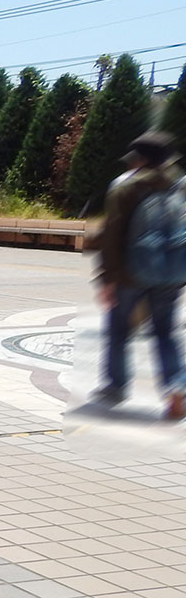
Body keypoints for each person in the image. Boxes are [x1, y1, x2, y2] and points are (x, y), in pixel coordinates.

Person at [94, 131, 186, 419]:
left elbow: (112, 237)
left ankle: (116, 386)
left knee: (119, 331)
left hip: (130, 275)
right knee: (165, 333)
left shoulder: (125, 187)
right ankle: (176, 387)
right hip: (171, 274)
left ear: (141, 160)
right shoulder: (180, 186)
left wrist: (107, 279)